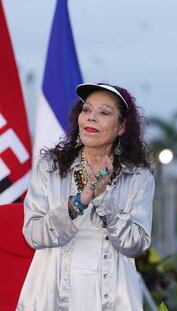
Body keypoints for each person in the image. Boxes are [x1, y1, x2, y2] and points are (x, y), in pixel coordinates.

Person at [17, 83, 155, 311]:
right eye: (87, 110)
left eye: (104, 113)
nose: (91, 118)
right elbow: (33, 234)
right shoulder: (50, 167)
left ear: (122, 127)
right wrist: (77, 203)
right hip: (50, 296)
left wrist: (105, 200)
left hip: (113, 298)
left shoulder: (138, 177)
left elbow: (137, 244)